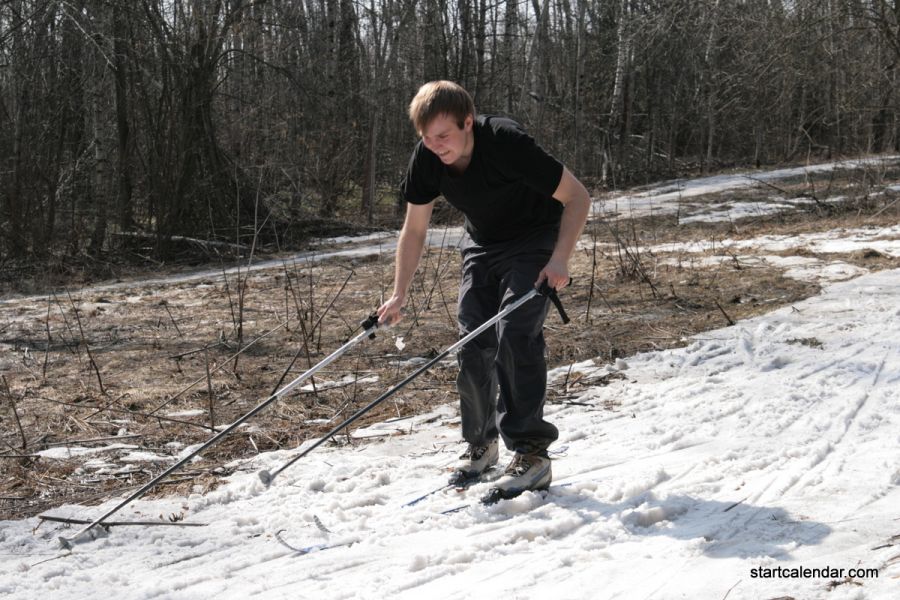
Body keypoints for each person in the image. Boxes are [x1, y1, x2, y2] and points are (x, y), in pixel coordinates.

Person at [377, 81, 590, 498]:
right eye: (426, 137)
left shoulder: (506, 143)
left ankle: (532, 455)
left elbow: (578, 198)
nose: (436, 146)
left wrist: (560, 258)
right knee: (473, 339)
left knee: (514, 332)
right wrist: (399, 293)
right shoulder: (427, 158)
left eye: (444, 135)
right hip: (483, 242)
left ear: (468, 123)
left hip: (534, 238)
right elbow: (415, 228)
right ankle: (482, 443)